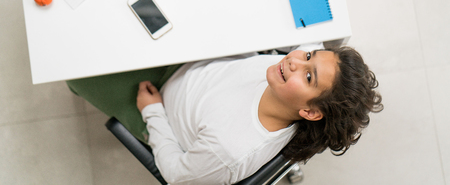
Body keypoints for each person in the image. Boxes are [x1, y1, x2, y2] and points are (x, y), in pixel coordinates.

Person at [67, 43, 383, 185]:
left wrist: (151, 112)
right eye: (310, 56)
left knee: (74, 68)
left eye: (310, 75)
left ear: (310, 112)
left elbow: (176, 174)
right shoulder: (283, 79)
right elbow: (305, 46)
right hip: (186, 64)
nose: (294, 61)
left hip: (157, 103)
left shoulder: (228, 152)